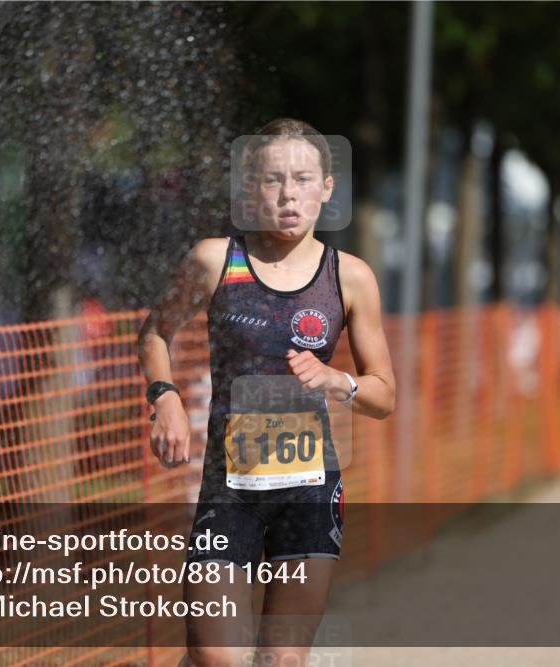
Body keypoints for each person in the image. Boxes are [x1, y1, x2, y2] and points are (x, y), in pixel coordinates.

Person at [137, 118, 395, 667]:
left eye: (303, 179)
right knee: (217, 659)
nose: (288, 194)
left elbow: (384, 394)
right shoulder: (215, 260)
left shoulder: (349, 277)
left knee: (282, 659)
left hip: (309, 491)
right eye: (273, 180)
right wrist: (165, 396)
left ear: (326, 189)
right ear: (252, 187)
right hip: (229, 492)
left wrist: (338, 382)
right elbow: (155, 333)